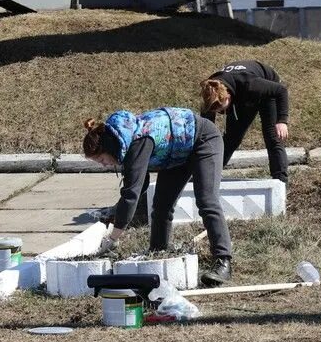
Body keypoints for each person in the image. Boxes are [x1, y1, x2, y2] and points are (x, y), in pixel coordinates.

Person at [82, 107, 233, 286]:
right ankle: (159, 250)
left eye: (101, 160)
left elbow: (132, 194)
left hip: (203, 139)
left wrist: (112, 238)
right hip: (177, 153)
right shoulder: (125, 141)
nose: (104, 165)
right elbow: (137, 186)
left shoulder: (137, 141)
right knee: (161, 206)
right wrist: (116, 212)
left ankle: (223, 261)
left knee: (206, 200)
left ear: (108, 147)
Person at [200, 60, 290, 183]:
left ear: (228, 97)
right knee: (231, 139)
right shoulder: (211, 92)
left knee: (272, 137)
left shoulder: (250, 84)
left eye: (222, 109)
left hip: (268, 90)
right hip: (240, 96)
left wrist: (282, 121)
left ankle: (281, 181)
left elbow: (281, 90)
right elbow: (206, 132)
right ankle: (209, 176)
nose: (220, 112)